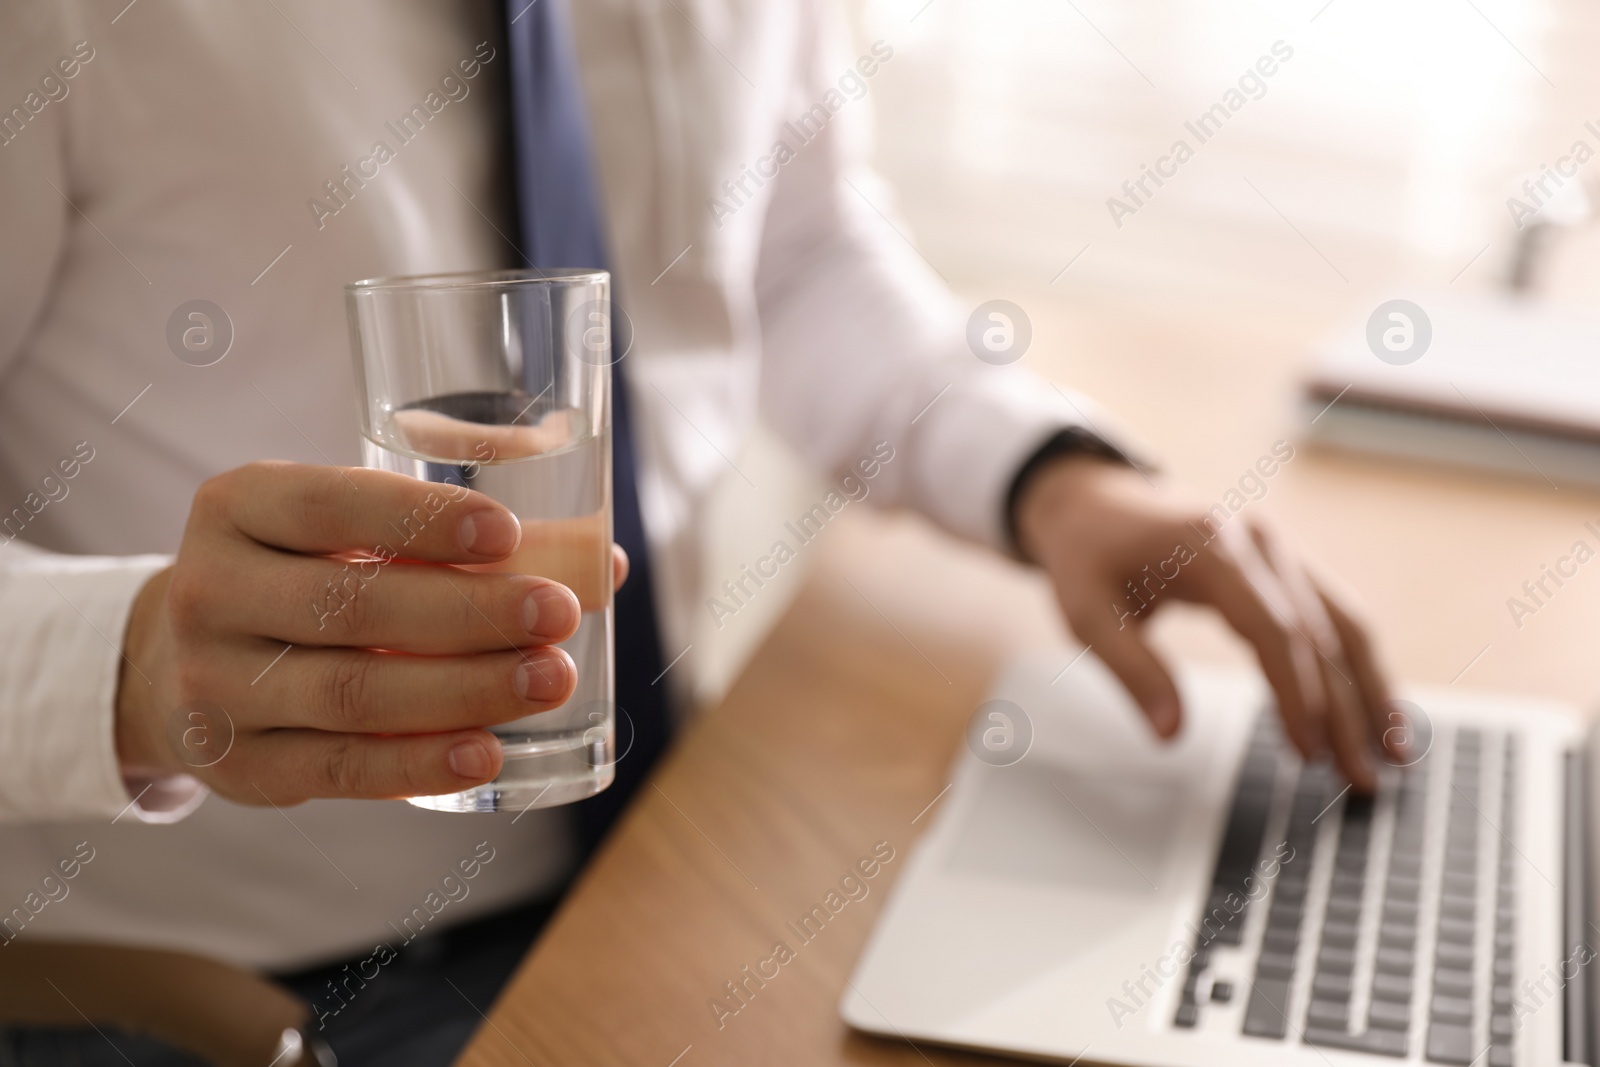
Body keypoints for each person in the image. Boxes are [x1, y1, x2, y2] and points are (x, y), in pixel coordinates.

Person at [0, 1, 1400, 1062]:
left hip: (663, 842)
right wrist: (124, 665)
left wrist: (1050, 474)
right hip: (233, 973)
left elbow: (797, 256)